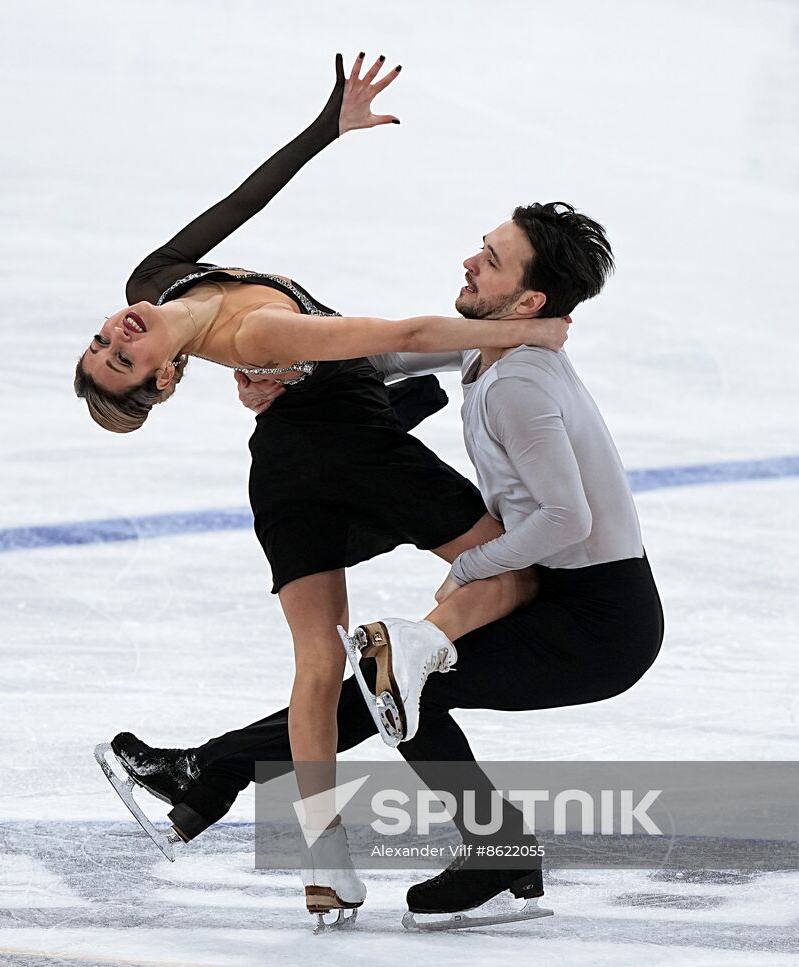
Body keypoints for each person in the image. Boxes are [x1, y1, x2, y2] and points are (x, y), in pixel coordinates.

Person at [77, 54, 568, 922]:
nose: (121, 332)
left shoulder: (153, 282)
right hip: (353, 446)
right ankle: (421, 667)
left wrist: (325, 127)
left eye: (104, 341)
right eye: (125, 361)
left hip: (286, 464)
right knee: (510, 575)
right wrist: (537, 327)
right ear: (163, 382)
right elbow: (404, 330)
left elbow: (241, 199)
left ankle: (326, 864)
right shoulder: (257, 330)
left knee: (315, 663)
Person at [112, 201, 665, 924]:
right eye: (482, 247)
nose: (471, 261)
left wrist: (471, 568)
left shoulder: (523, 385)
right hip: (569, 593)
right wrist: (286, 371)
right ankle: (211, 772)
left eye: (491, 261)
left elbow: (566, 521)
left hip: (600, 623)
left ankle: (496, 851)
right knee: (390, 685)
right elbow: (385, 355)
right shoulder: (488, 349)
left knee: (407, 687)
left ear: (529, 302)